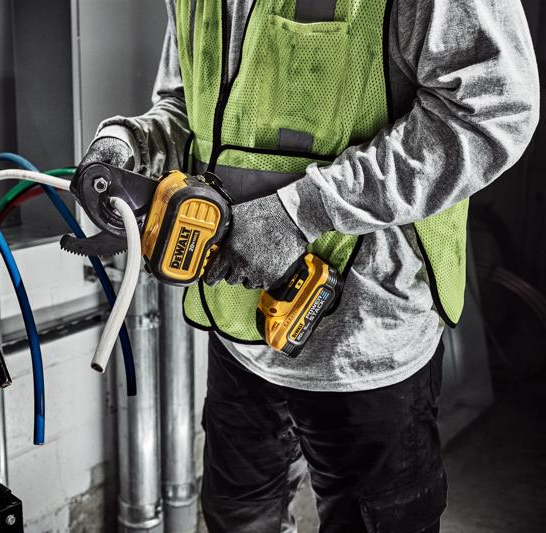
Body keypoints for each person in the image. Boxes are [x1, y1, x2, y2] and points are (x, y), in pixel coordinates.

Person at [80, 0, 539, 531]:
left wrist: (301, 212)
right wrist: (135, 143)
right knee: (236, 515)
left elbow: (493, 106)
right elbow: (192, 103)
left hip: (364, 340)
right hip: (237, 328)